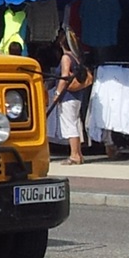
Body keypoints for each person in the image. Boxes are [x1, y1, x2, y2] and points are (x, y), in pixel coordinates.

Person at [50, 28, 87, 165]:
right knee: (76, 122)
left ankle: (74, 155)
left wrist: (57, 93)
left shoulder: (66, 58)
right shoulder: (77, 57)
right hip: (77, 95)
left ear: (61, 44)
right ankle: (79, 153)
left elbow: (64, 77)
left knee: (69, 124)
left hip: (68, 96)